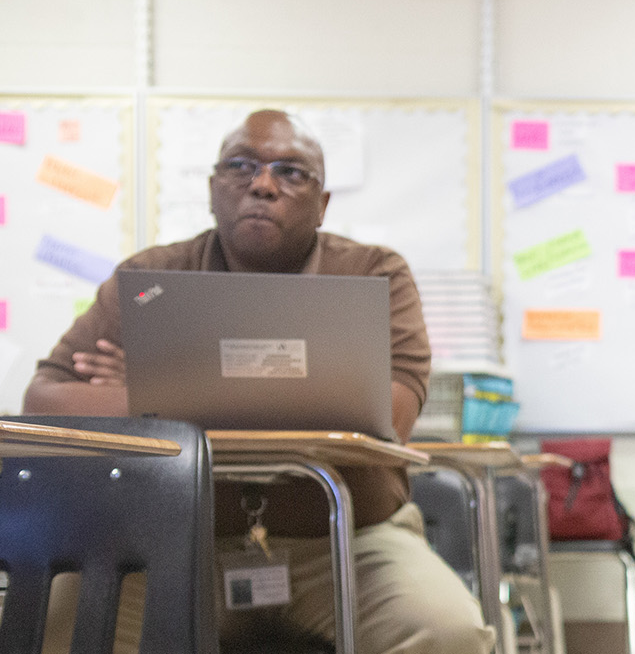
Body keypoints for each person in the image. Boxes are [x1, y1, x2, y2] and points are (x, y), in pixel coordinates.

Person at [23, 110, 493, 654]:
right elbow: (46, 398)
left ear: (323, 203)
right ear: (212, 189)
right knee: (54, 629)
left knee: (446, 632)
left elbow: (390, 411)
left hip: (347, 542)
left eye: (291, 172)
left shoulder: (372, 274)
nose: (263, 184)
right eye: (240, 166)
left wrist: (157, 395)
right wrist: (308, 393)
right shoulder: (151, 277)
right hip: (172, 548)